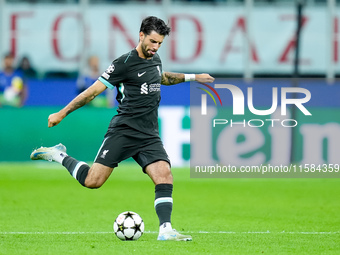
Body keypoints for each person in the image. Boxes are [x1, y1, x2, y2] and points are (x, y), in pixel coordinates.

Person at [30, 16, 214, 241]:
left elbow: (162, 77)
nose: (155, 47)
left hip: (148, 134)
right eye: (153, 42)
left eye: (160, 43)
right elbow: (92, 92)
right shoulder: (123, 63)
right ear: (141, 35)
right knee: (92, 181)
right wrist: (62, 113)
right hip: (124, 130)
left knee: (164, 175)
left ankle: (166, 229)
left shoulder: (155, 59)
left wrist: (193, 77)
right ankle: (58, 154)